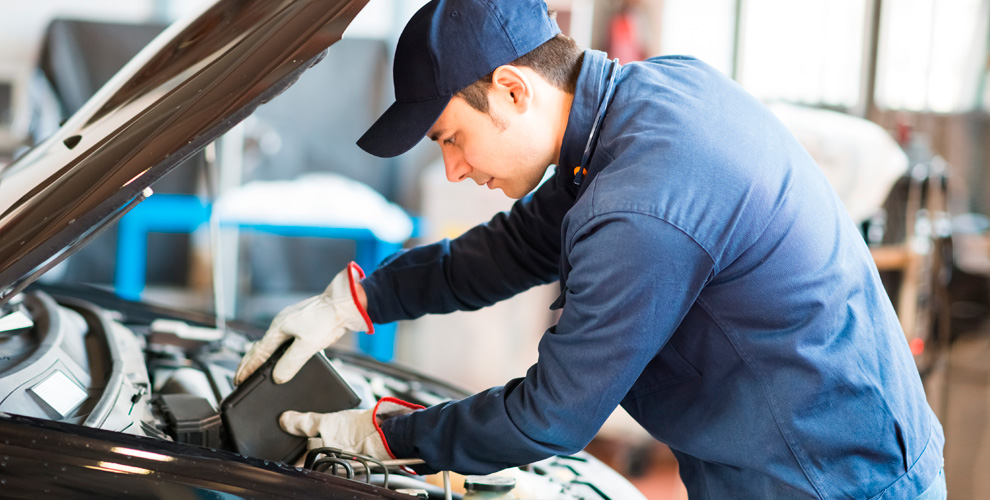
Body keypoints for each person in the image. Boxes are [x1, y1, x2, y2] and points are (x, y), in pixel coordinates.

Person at [234, 0, 946, 497]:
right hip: (783, 454)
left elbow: (550, 415)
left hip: (827, 480)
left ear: (512, 90)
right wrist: (351, 301)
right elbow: (510, 250)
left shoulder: (642, 197)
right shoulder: (636, 112)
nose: (452, 168)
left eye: (450, 136)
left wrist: (386, 436)